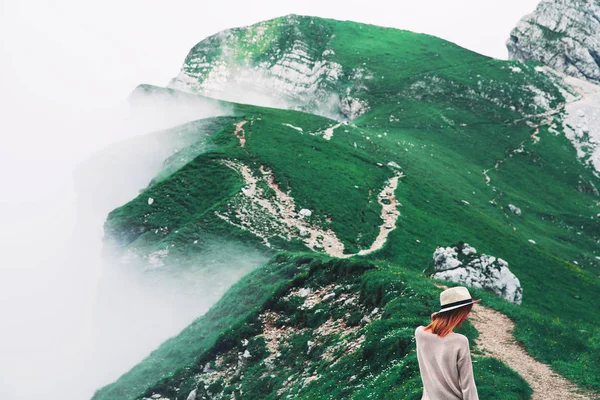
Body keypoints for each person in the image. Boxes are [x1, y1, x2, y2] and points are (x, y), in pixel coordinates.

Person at [414, 286, 481, 400]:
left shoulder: (420, 333)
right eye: (466, 312)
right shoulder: (460, 341)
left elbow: (435, 328)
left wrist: (439, 317)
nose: (466, 318)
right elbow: (468, 385)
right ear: (458, 313)